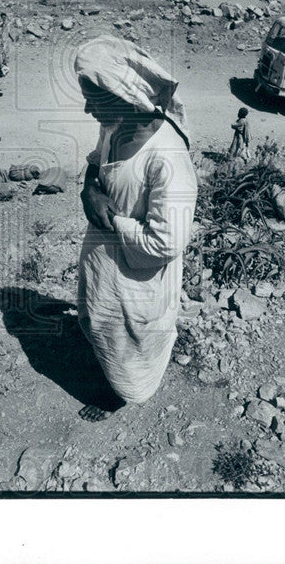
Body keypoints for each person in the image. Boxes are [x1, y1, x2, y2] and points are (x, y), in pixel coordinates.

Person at [73, 34, 198, 421]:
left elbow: (166, 242)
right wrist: (89, 187)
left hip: (137, 271)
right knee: (101, 322)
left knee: (130, 338)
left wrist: (109, 218)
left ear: (123, 94)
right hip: (106, 260)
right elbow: (97, 160)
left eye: (94, 98)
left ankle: (120, 395)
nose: (86, 109)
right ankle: (108, 370)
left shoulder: (167, 159)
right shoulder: (117, 125)